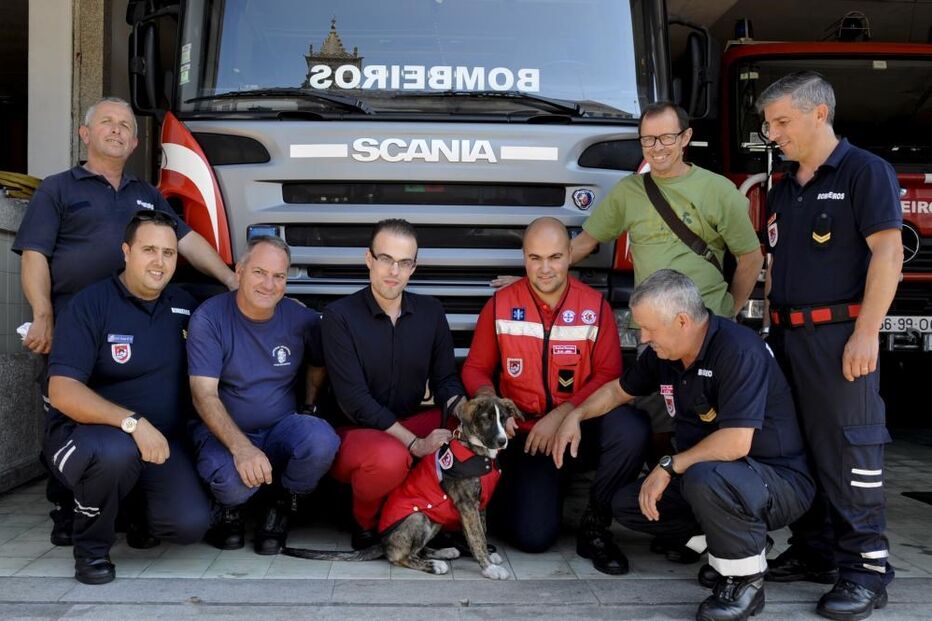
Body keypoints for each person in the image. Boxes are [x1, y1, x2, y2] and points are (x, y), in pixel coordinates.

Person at [12, 96, 235, 546]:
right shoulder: (57, 189)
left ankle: (134, 506)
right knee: (70, 410)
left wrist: (232, 279)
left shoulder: (146, 195)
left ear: (135, 141)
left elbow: (185, 241)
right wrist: (43, 314)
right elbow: (35, 253)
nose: (116, 130)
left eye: (125, 126)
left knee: (130, 413)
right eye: (106, 123)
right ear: (85, 133)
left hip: (139, 316)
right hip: (77, 322)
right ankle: (67, 508)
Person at [553, 269, 814, 621]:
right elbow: (619, 390)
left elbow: (737, 442)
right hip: (712, 476)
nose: (643, 338)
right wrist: (577, 414)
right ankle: (735, 543)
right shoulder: (664, 355)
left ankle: (744, 583)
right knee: (630, 503)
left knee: (703, 476)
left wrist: (668, 466)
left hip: (776, 480)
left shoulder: (737, 350)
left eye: (649, 329)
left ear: (681, 321)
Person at [756, 71, 902, 620]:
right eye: (769, 124)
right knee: (799, 448)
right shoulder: (783, 188)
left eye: (782, 121)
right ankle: (815, 549)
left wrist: (867, 332)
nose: (773, 134)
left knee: (850, 451)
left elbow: (888, 255)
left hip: (841, 336)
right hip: (789, 337)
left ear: (820, 113)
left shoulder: (866, 172)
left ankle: (865, 568)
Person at [462, 217, 650, 574]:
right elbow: (475, 368)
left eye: (554, 257)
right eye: (535, 258)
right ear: (524, 258)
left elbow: (610, 376)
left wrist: (564, 414)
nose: (545, 268)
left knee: (631, 427)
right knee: (533, 538)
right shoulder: (501, 305)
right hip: (528, 439)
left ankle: (595, 525)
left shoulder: (594, 307)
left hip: (581, 429)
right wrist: (492, 403)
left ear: (569, 256)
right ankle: (526, 497)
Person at [44, 210, 211, 585]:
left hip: (159, 444)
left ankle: (133, 514)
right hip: (87, 437)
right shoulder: (91, 304)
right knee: (115, 454)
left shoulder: (183, 305)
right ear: (126, 251)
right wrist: (132, 423)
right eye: (149, 249)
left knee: (189, 525)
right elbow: (62, 390)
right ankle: (91, 550)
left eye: (169, 253)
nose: (160, 261)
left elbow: (237, 312)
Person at [187, 236, 340, 555]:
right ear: (239, 271)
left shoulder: (301, 319)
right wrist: (241, 448)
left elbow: (318, 360)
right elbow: (203, 395)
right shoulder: (210, 317)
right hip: (222, 434)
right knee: (233, 484)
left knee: (321, 440)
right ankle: (228, 508)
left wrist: (309, 406)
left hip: (278, 428)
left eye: (279, 276)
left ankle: (281, 503)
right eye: (259, 272)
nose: (269, 284)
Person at [322, 219, 466, 550]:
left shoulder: (431, 312)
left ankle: (443, 518)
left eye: (404, 262)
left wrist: (466, 411)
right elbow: (354, 399)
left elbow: (446, 380)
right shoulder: (339, 316)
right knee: (390, 456)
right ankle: (367, 524)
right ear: (368, 259)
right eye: (385, 259)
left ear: (413, 267)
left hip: (409, 419)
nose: (394, 271)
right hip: (354, 432)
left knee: (471, 428)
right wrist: (414, 442)